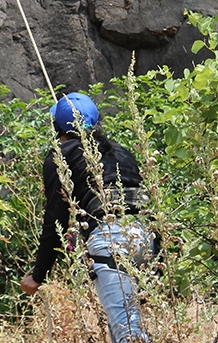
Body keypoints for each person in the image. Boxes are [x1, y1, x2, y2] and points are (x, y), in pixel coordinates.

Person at [21, 93, 154, 343]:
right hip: (144, 239)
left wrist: (38, 274)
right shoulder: (121, 152)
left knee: (129, 333)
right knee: (123, 328)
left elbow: (55, 221)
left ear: (55, 126)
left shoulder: (61, 156)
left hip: (110, 241)